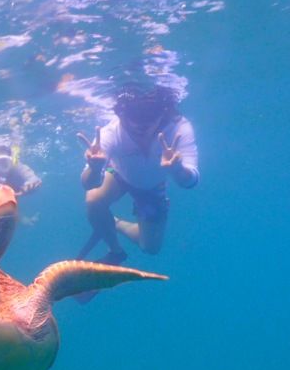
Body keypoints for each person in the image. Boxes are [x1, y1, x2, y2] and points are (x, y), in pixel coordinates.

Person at [76, 84, 199, 264]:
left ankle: (114, 223)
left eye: (149, 120)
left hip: (153, 186)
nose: (142, 127)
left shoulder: (179, 129)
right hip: (119, 176)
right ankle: (115, 252)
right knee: (93, 199)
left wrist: (177, 170)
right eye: (135, 120)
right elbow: (89, 185)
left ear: (163, 114)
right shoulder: (111, 131)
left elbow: (190, 181)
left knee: (150, 248)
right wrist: (94, 169)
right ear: (121, 115)